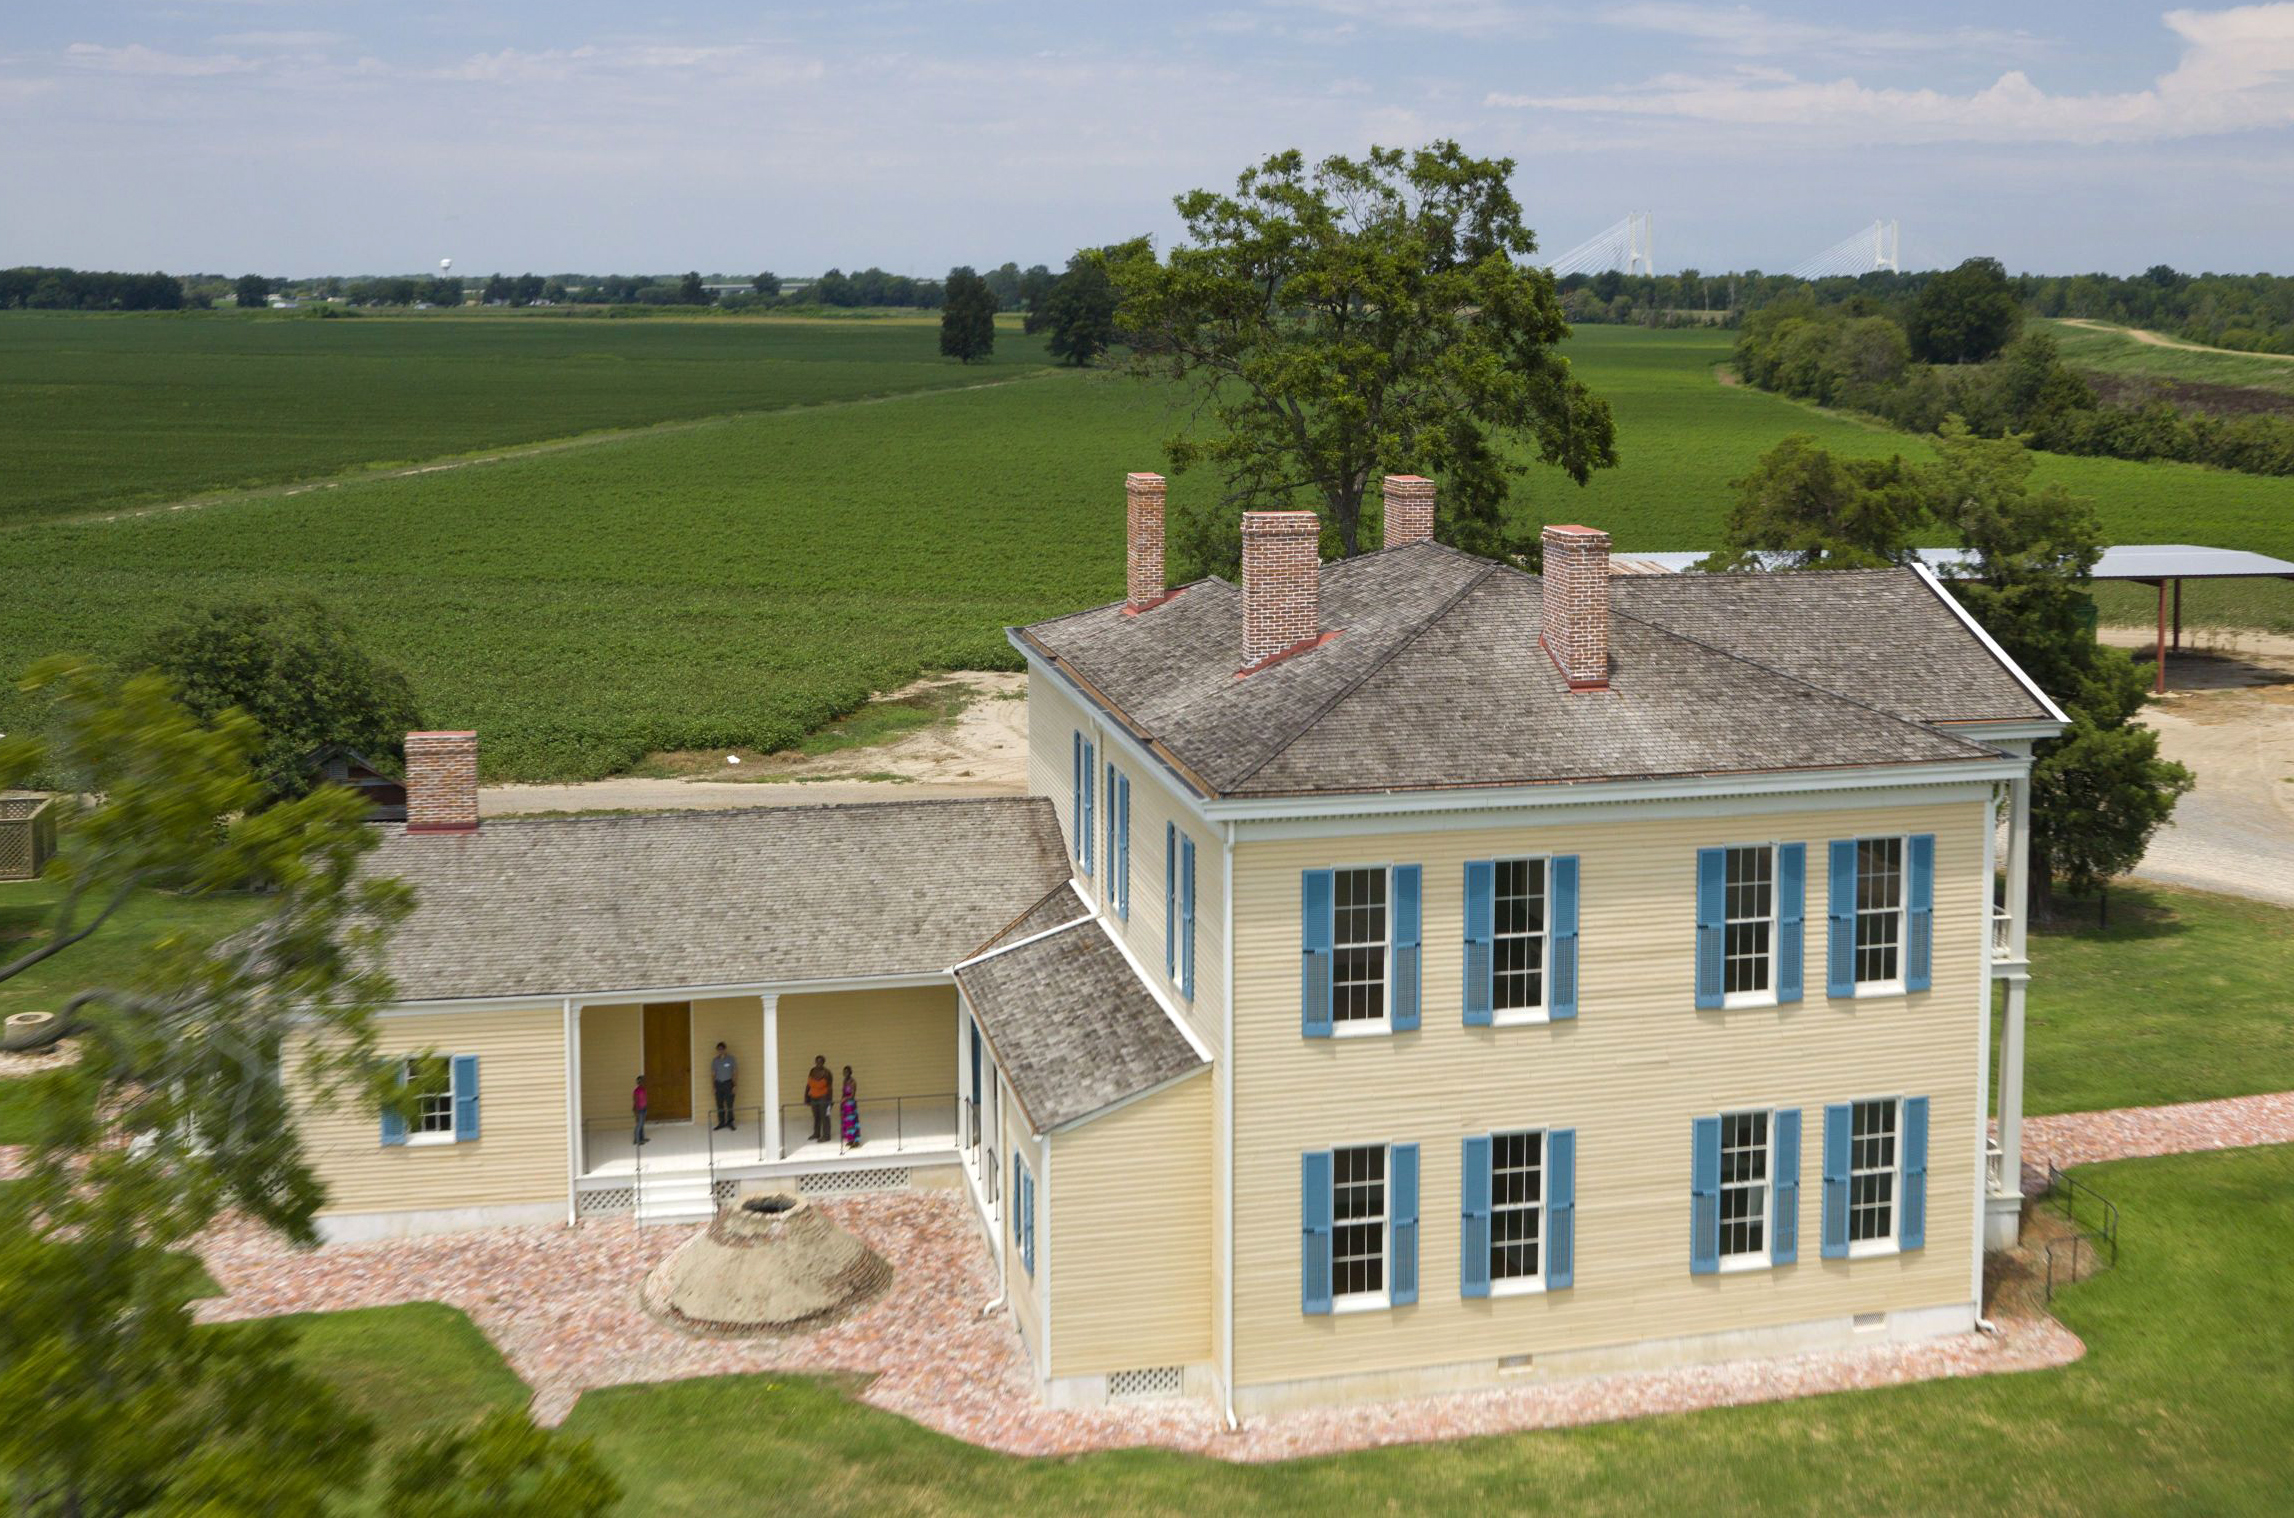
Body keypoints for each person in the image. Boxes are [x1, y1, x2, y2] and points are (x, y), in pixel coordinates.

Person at [805, 1056, 833, 1144]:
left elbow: (830, 1087)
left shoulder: (827, 1073)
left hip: (824, 1097)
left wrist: (830, 1101)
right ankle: (816, 1133)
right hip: (813, 1097)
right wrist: (806, 1096)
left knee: (825, 1116)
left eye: (821, 1062)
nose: (819, 1063)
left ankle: (826, 1135)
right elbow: (808, 1084)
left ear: (823, 1063)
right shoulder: (812, 1071)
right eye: (817, 1062)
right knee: (816, 1116)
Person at [711, 1041, 737, 1131]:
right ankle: (721, 1122)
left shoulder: (730, 1059)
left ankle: (730, 1122)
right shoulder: (715, 1061)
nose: (720, 1051)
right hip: (718, 1084)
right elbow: (713, 1074)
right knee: (719, 1104)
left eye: (722, 1049)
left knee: (729, 1104)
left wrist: (734, 1085)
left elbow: (734, 1072)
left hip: (728, 1083)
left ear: (725, 1049)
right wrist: (713, 1086)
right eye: (719, 1049)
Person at [840, 1065, 860, 1149]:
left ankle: (856, 1141)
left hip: (851, 1105)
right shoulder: (844, 1081)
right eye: (844, 1072)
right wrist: (842, 1103)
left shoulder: (853, 1082)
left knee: (852, 1123)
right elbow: (843, 1093)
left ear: (850, 1073)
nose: (845, 1074)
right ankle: (850, 1140)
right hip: (845, 1105)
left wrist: (845, 1099)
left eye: (847, 1072)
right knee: (847, 1123)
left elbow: (852, 1095)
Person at [631, 1073, 649, 1147]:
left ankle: (642, 1138)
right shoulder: (637, 1091)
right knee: (639, 1124)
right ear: (639, 1082)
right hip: (639, 1109)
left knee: (642, 1124)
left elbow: (644, 1098)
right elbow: (635, 1101)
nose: (644, 1082)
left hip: (644, 1108)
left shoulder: (643, 1089)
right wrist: (636, 1112)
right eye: (642, 1081)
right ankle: (637, 1139)